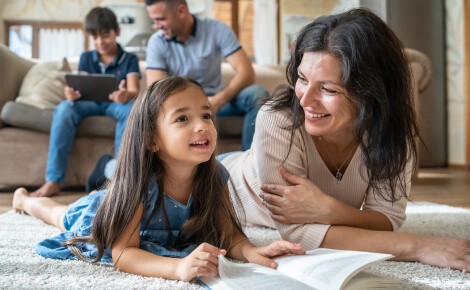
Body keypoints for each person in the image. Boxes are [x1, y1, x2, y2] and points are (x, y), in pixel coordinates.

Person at [220, 8, 470, 271]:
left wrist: (329, 210)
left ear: (370, 92)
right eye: (302, 79)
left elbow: (387, 218)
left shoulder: (391, 130)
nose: (305, 100)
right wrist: (417, 246)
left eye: (328, 89)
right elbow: (298, 232)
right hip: (220, 179)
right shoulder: (278, 119)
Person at [12, 76, 304, 281]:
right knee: (61, 214)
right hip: (106, 211)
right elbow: (124, 253)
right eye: (182, 119)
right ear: (152, 140)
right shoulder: (139, 185)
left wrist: (254, 251)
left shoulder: (215, 177)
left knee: (61, 214)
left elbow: (229, 234)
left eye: (206, 115)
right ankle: (25, 200)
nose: (202, 126)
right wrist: (177, 269)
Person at [31, 7, 141, 197]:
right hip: (89, 102)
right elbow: (80, 87)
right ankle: (53, 181)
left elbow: (134, 91)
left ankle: (123, 177)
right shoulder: (86, 57)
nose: (100, 42)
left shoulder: (129, 58)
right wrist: (72, 94)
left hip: (116, 103)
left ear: (117, 32)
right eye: (95, 37)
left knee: (131, 109)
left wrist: (126, 95)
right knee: (65, 108)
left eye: (105, 35)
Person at [145, 0, 268, 151]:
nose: (156, 26)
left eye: (161, 19)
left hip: (217, 103)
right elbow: (156, 91)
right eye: (154, 20)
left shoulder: (217, 29)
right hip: (181, 108)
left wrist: (219, 100)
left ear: (181, 11)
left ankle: (250, 162)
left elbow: (247, 73)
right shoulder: (156, 42)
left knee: (257, 93)